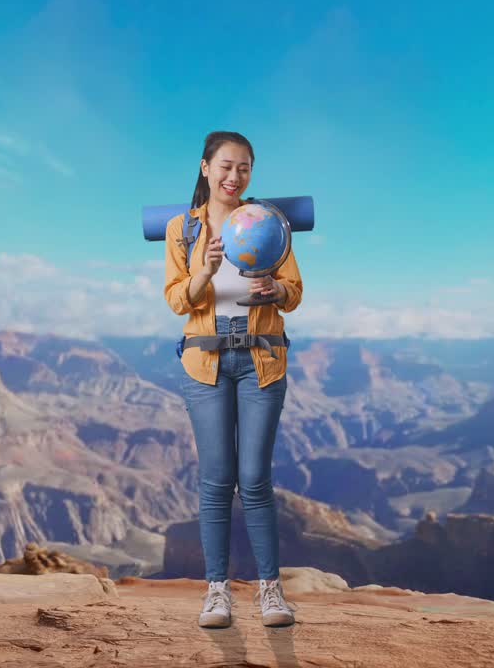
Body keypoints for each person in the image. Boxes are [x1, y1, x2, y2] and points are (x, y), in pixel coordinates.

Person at [163, 130, 303, 629]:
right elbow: (178, 300)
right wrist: (205, 270)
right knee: (216, 481)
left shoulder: (267, 224)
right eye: (225, 166)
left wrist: (275, 288)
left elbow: (296, 292)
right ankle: (216, 593)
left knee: (256, 480)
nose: (234, 175)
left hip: (261, 362)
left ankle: (271, 592)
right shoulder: (182, 229)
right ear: (205, 168)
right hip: (205, 365)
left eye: (244, 167)